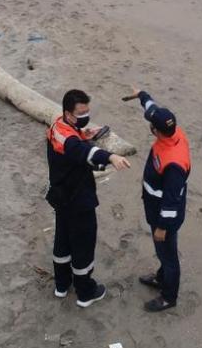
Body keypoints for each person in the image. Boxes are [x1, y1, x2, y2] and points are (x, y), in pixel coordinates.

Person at [46, 89, 131, 307]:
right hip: (77, 199)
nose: (86, 115)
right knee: (83, 244)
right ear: (69, 113)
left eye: (87, 111)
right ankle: (85, 292)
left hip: (60, 196)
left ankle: (62, 285)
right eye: (81, 112)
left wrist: (84, 134)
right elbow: (86, 154)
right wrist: (111, 156)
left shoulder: (59, 125)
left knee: (62, 241)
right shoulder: (70, 142)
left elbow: (75, 144)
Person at [131, 86, 191, 312]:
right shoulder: (174, 131)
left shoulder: (174, 163)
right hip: (154, 205)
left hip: (163, 214)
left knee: (168, 255)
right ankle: (160, 277)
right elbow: (152, 109)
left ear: (155, 131)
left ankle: (169, 296)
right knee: (163, 252)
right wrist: (141, 95)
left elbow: (172, 201)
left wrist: (163, 227)